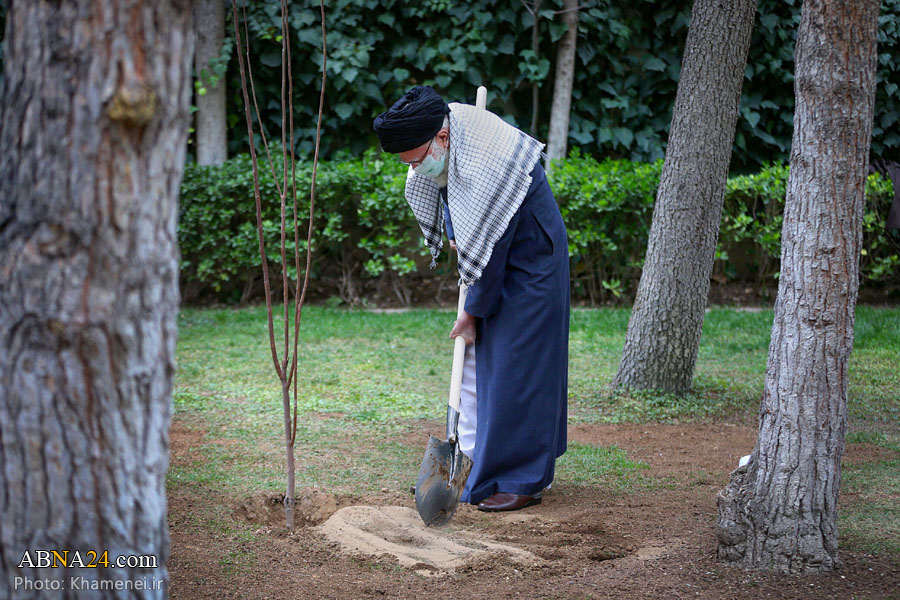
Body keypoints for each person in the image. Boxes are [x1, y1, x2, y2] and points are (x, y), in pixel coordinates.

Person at [373, 85, 569, 512]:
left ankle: (522, 479)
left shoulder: (483, 160)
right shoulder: (444, 134)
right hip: (503, 251)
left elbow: (492, 245)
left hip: (532, 260)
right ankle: (476, 465)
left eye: (416, 160)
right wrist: (459, 231)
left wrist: (472, 311)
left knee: (521, 368)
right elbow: (449, 193)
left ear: (441, 139)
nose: (414, 170)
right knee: (483, 367)